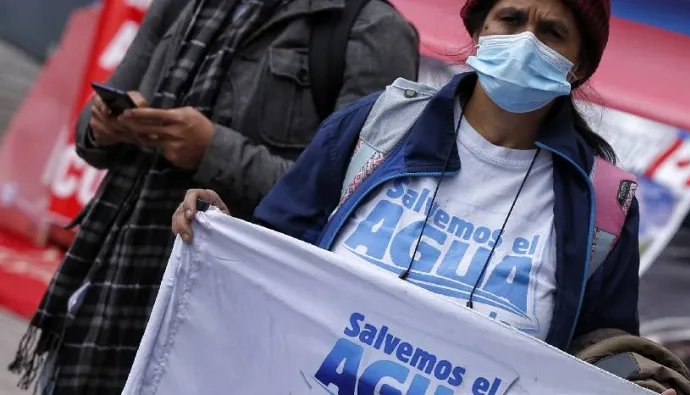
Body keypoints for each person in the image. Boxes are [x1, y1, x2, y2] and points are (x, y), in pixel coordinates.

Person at [173, 0, 690, 393]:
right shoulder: (376, 126)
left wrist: (636, 383)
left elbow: (600, 353)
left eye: (552, 32)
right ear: (479, 31)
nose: (526, 42)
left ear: (578, 66)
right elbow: (269, 257)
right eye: (511, 19)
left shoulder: (601, 205)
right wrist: (220, 231)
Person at [8, 0, 419, 393]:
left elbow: (355, 210)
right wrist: (105, 125)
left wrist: (212, 150)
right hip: (108, 291)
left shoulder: (374, 30)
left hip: (225, 328)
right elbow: (90, 127)